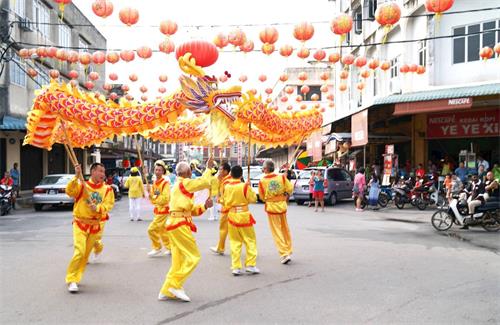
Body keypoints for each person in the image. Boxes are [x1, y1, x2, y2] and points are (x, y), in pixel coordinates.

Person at [158, 158, 213, 302]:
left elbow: (191, 210)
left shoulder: (179, 186)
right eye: (191, 171)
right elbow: (204, 182)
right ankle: (174, 285)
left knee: (178, 261)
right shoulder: (184, 183)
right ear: (188, 172)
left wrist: (205, 207)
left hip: (176, 223)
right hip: (180, 224)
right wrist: (208, 168)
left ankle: (166, 290)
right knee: (194, 257)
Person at [65, 163, 115, 293]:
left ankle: (76, 277)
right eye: (100, 171)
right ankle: (71, 279)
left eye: (103, 172)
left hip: (94, 225)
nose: (103, 174)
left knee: (85, 255)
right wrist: (76, 176)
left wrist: (98, 208)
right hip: (80, 223)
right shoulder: (82, 185)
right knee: (79, 251)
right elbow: (70, 192)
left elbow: (109, 205)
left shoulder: (107, 189)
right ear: (92, 172)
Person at [223, 165, 259, 276]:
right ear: (241, 175)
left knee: (234, 242)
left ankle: (236, 267)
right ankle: (251, 264)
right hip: (244, 216)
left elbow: (225, 201)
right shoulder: (244, 186)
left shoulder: (227, 186)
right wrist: (249, 187)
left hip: (232, 215)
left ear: (231, 174)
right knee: (250, 240)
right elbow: (253, 199)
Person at [258, 160, 294, 264]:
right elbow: (290, 188)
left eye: (263, 168)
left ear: (266, 168)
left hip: (272, 207)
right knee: (284, 229)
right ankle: (288, 249)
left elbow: (261, 196)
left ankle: (284, 253)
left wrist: (269, 198)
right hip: (282, 205)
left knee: (277, 231)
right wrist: (284, 194)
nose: (263, 170)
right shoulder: (281, 177)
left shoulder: (262, 180)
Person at [146, 160, 172, 257]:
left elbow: (165, 199)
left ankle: (157, 247)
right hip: (158, 210)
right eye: (156, 170)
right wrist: (150, 193)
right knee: (162, 230)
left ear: (163, 172)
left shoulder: (165, 183)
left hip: (163, 210)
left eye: (159, 170)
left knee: (151, 229)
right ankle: (170, 247)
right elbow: (154, 198)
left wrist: (153, 197)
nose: (157, 172)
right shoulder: (154, 183)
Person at [210, 162, 231, 255]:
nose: (219, 171)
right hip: (229, 209)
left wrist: (220, 200)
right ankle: (220, 247)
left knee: (224, 229)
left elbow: (226, 197)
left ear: (226, 171)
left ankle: (220, 247)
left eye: (221, 169)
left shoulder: (227, 182)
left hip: (227, 208)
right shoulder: (224, 180)